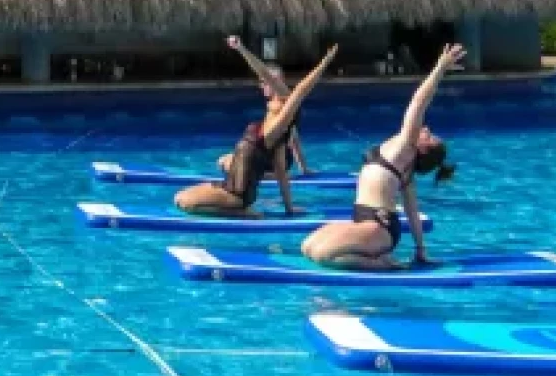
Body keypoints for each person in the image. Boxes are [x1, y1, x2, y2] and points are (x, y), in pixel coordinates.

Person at [301, 43, 462, 270]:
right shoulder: (403, 166)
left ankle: (386, 263)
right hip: (362, 222)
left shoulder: (406, 146)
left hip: (380, 227)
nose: (425, 129)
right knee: (307, 247)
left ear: (423, 149)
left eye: (429, 135)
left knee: (323, 256)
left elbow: (419, 102)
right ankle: (374, 255)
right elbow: (413, 213)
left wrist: (440, 68)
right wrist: (421, 251)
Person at [173, 40, 340, 218]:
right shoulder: (275, 139)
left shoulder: (279, 125)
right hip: (228, 186)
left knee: (183, 202)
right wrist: (242, 49)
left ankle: (243, 212)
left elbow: (302, 88)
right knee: (179, 197)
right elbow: (282, 176)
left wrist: (324, 62)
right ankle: (236, 206)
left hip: (237, 195)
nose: (274, 95)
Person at [210, 36, 316, 177]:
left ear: (280, 81)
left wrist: (241, 48)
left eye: (267, 81)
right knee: (223, 161)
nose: (263, 85)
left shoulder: (285, 96)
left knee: (234, 165)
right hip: (267, 156)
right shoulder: (275, 104)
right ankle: (268, 173)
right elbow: (294, 136)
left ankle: (271, 174)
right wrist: (304, 169)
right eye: (262, 82)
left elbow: (261, 70)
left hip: (277, 158)